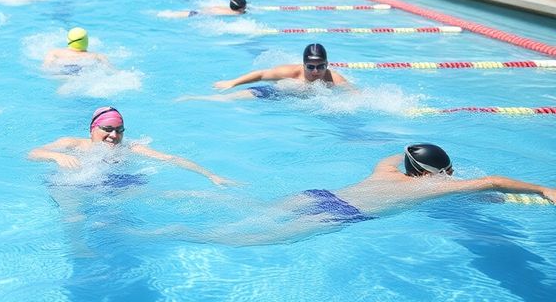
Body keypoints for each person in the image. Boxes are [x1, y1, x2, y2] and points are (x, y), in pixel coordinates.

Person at [180, 144, 556, 246]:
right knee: (252, 240)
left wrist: (410, 154)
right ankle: (170, 234)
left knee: (252, 211)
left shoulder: (386, 170)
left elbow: (394, 154)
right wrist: (543, 188)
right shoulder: (435, 185)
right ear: (438, 172)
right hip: (340, 214)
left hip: (319, 195)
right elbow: (491, 181)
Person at [28, 106, 234, 186]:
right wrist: (57, 156)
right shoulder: (71, 144)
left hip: (117, 184)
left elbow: (170, 159)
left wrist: (210, 175)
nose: (113, 135)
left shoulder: (130, 148)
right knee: (71, 212)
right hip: (78, 185)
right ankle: (79, 248)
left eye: (119, 130)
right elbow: (33, 153)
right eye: (107, 129)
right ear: (93, 129)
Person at [182, 43, 350, 101]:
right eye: (311, 67)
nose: (315, 72)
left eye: (321, 66)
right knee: (226, 100)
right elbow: (261, 75)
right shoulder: (290, 72)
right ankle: (199, 98)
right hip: (278, 94)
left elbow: (355, 93)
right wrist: (232, 82)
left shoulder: (334, 78)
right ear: (303, 64)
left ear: (327, 64)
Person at [43, 27, 110, 68]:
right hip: (83, 73)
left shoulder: (55, 52)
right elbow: (112, 71)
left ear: (68, 40)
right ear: (86, 41)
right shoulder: (96, 56)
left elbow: (46, 67)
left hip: (63, 72)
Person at [162, 0, 247, 19]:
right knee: (169, 15)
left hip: (201, 11)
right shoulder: (236, 13)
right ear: (240, 8)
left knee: (170, 14)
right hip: (198, 14)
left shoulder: (229, 9)